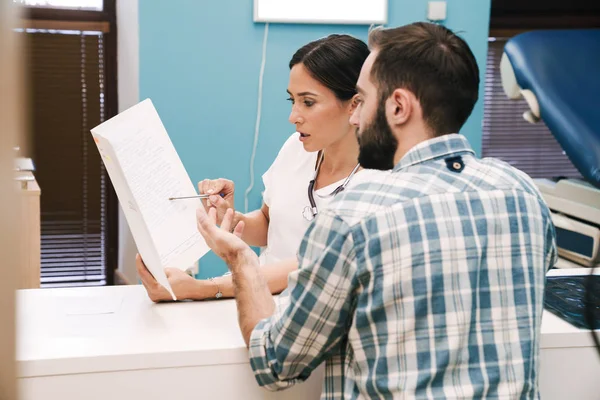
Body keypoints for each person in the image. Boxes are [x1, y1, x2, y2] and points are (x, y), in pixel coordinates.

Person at [195, 22, 558, 399]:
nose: (355, 117)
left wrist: (239, 259)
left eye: (363, 101)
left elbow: (275, 364)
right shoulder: (523, 194)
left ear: (398, 106)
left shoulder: (356, 214)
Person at [136, 34, 371, 301]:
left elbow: (311, 267)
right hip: (258, 303)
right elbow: (270, 222)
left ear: (355, 104)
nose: (293, 116)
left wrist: (204, 288)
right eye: (291, 100)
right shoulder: (297, 148)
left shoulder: (380, 181)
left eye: (308, 102)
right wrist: (232, 218)